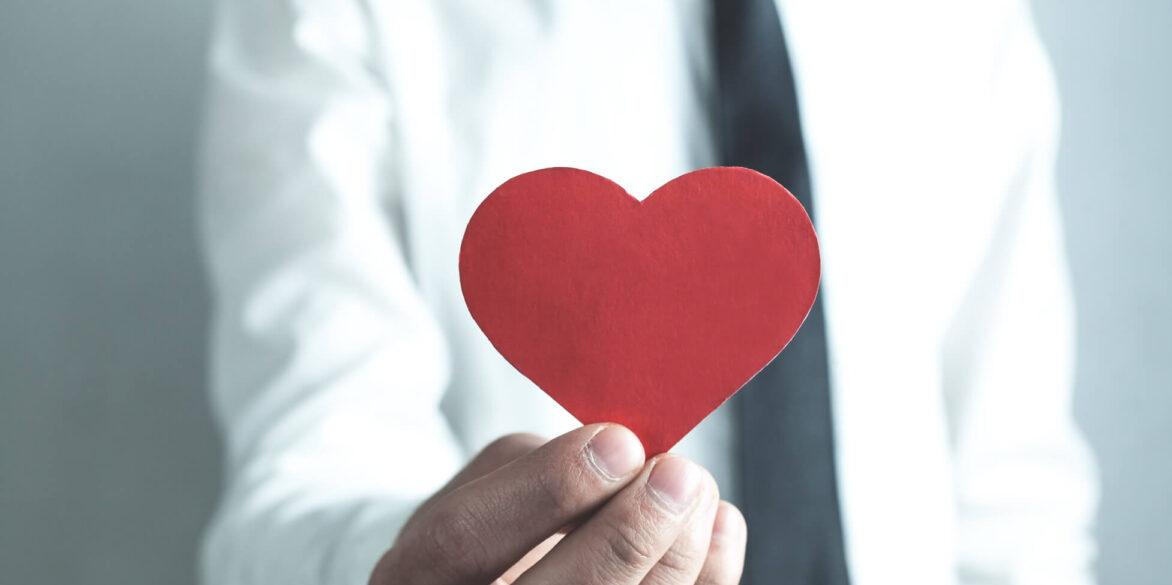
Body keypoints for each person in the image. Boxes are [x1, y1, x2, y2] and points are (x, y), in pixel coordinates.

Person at [197, 1, 1098, 584]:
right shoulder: (337, 14)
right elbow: (306, 463)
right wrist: (405, 561)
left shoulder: (966, 22)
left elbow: (1013, 493)